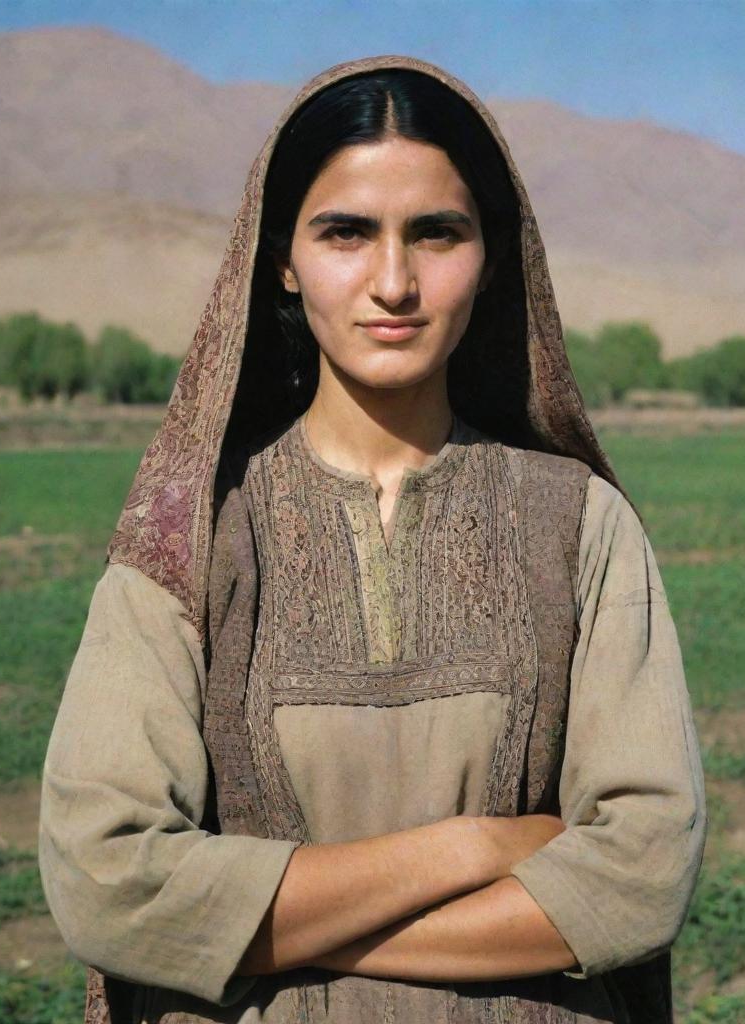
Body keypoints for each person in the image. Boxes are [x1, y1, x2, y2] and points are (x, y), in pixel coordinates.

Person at [38, 54, 707, 1024]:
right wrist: (468, 849)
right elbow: (107, 882)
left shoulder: (578, 523)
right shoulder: (189, 536)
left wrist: (246, 929)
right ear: (281, 256)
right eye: (345, 232)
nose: (393, 281)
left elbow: (641, 873)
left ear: (490, 254)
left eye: (436, 233)